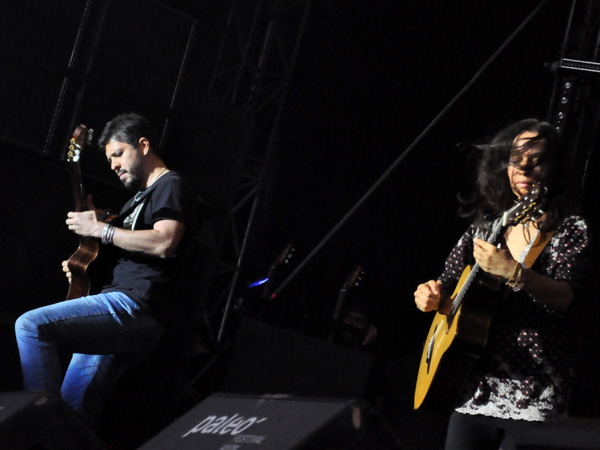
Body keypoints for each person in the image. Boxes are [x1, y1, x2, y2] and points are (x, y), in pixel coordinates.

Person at [413, 118, 593, 449]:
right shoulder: (485, 229)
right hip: (471, 392)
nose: (525, 168)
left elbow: (567, 296)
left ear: (555, 169)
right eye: (517, 159)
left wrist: (515, 272)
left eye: (537, 160)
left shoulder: (570, 229)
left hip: (533, 395)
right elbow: (447, 282)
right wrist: (429, 295)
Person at [15, 113, 201, 430]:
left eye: (118, 154)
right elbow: (120, 254)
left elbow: (164, 243)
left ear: (143, 145)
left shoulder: (170, 185)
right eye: (109, 159)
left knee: (31, 325)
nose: (113, 165)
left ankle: (39, 424)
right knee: (75, 417)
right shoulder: (133, 203)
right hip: (125, 311)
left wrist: (102, 230)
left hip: (136, 307)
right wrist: (81, 265)